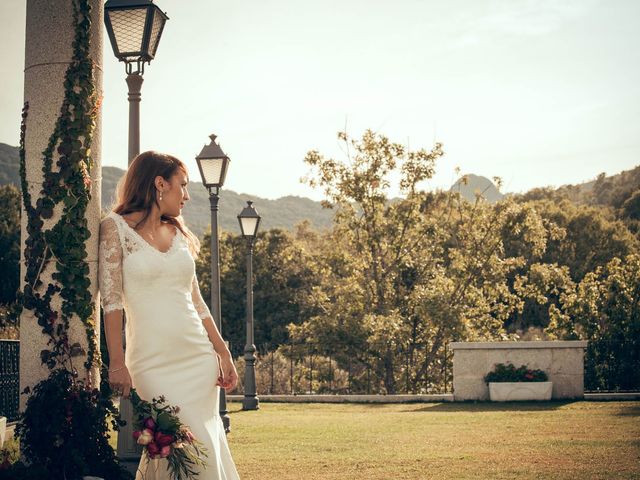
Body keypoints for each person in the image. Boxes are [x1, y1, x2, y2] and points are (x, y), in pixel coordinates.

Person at [98, 151, 241, 480]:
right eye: (183, 186)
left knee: (203, 446)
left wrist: (222, 351)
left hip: (197, 358)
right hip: (151, 362)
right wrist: (116, 362)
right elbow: (112, 302)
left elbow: (196, 299)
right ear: (160, 183)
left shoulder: (178, 234)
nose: (187, 196)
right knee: (172, 448)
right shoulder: (115, 228)